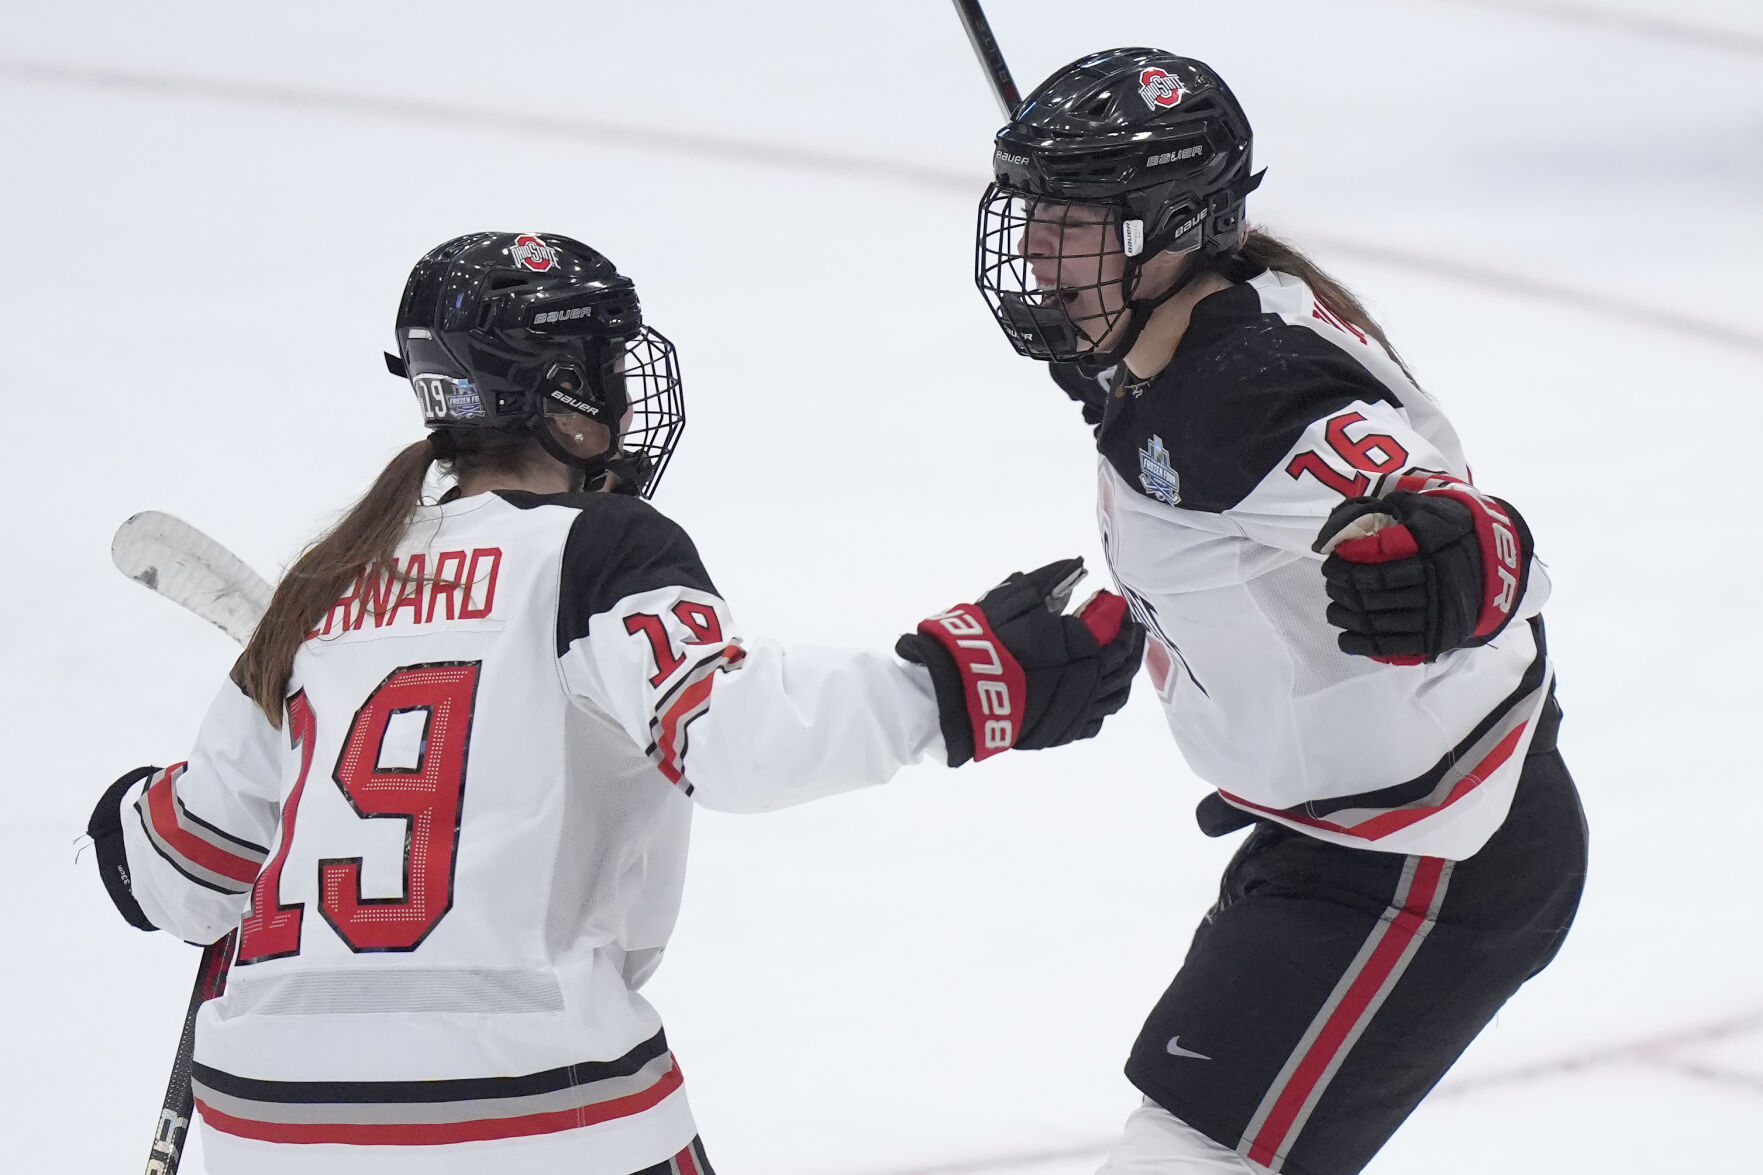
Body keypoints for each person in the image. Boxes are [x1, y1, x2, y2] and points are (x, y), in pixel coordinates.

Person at [85, 231, 1144, 1175]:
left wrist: (125, 815)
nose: (628, 404)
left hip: (273, 1119)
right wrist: (952, 681)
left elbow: (181, 871)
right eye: (606, 375)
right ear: (558, 396)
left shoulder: (328, 584)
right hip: (533, 1103)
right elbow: (733, 737)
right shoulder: (597, 552)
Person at [971, 50, 1588, 1175]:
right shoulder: (1177, 338)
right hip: (1347, 835)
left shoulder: (1249, 384)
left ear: (1172, 230)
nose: (1032, 254)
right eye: (1033, 218)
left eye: (1070, 225)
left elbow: (1459, 528)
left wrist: (1445, 561)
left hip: (1424, 866)